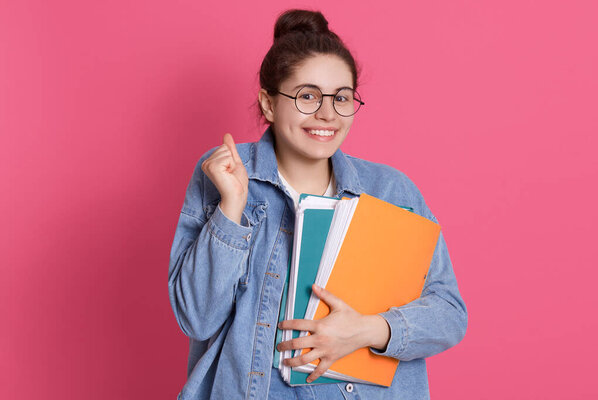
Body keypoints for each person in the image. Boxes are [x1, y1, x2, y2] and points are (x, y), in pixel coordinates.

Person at [168, 9, 467, 400]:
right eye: (307, 95)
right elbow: (197, 318)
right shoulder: (225, 172)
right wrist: (232, 207)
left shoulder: (393, 192)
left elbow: (449, 313)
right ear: (269, 104)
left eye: (341, 98)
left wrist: (367, 329)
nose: (327, 113)